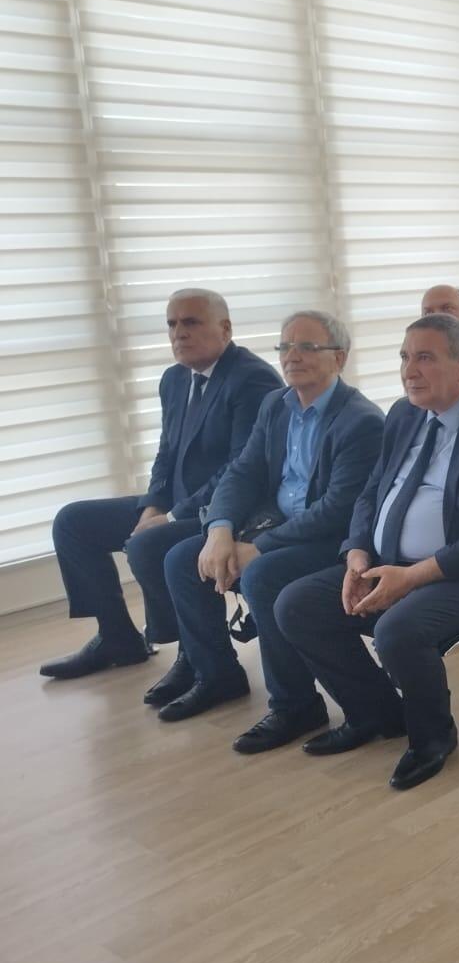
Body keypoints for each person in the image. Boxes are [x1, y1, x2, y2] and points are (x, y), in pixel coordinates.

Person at [274, 314, 459, 791]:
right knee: (296, 605)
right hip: (393, 564)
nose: (409, 370)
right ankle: (375, 714)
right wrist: (357, 555)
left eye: (424, 358)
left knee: (397, 629)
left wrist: (413, 576)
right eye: (404, 357)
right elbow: (371, 493)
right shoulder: (404, 413)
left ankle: (432, 737)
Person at [152, 311, 384, 746]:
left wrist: (260, 547)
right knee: (182, 559)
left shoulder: (361, 421)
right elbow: (242, 472)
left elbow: (337, 510)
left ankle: (295, 706)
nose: (292, 356)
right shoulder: (276, 405)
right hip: (276, 526)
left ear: (339, 357)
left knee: (263, 574)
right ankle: (216, 675)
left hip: (332, 540)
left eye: (307, 347)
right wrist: (220, 530)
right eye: (285, 346)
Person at [40, 289, 282, 680]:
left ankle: (193, 653)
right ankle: (117, 638)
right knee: (74, 522)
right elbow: (166, 454)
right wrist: (152, 506)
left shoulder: (252, 380)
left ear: (225, 329)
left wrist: (170, 517)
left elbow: (242, 470)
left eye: (191, 323)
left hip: (231, 512)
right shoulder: (175, 378)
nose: (178, 333)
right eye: (172, 324)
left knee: (149, 543)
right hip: (180, 503)